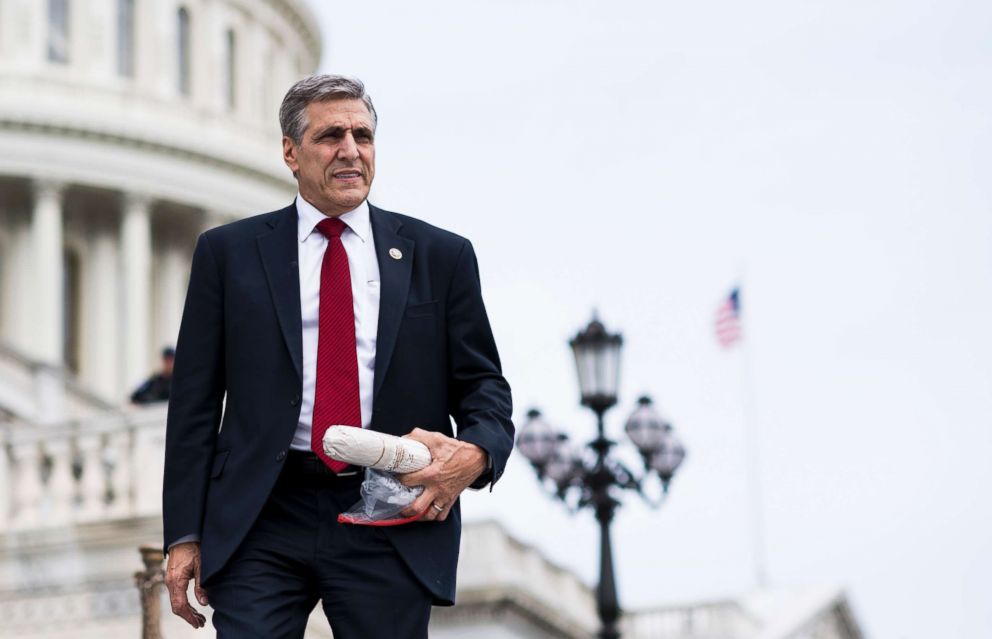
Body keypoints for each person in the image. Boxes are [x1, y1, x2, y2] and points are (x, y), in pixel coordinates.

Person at [161, 75, 514, 639]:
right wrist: (182, 535)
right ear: (290, 152)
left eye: (363, 136)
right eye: (331, 136)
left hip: (389, 509)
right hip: (262, 514)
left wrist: (477, 453)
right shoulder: (228, 254)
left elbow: (484, 385)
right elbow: (194, 406)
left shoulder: (441, 257)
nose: (351, 150)